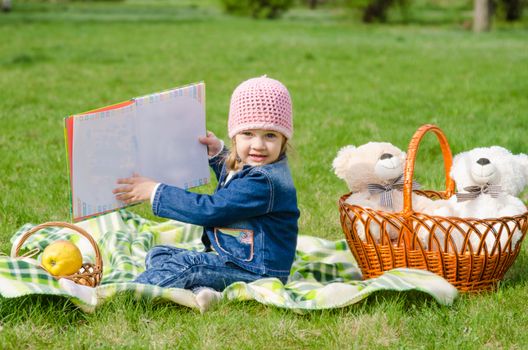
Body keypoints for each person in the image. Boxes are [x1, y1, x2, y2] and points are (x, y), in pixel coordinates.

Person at [113, 76, 300, 311]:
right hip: (240, 259)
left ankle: (123, 298)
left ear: (284, 139)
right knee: (159, 253)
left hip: (259, 270)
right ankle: (206, 293)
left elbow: (211, 209)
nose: (258, 145)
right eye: (248, 134)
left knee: (188, 264)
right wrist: (218, 153)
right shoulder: (254, 166)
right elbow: (235, 175)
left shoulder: (265, 181)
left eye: (270, 135)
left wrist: (155, 191)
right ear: (235, 135)